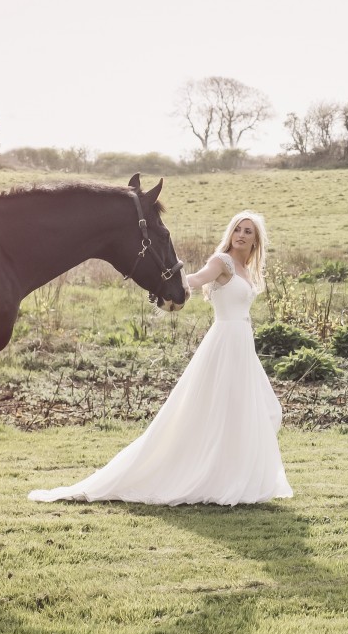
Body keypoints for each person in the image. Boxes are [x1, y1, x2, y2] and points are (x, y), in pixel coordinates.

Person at [30, 210, 293, 506]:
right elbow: (195, 279)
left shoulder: (249, 270)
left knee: (248, 409)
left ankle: (232, 476)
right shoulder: (222, 262)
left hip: (243, 344)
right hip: (223, 344)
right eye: (238, 230)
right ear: (231, 234)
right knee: (217, 408)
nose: (241, 235)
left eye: (248, 231)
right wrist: (165, 283)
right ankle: (208, 476)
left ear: (256, 240)